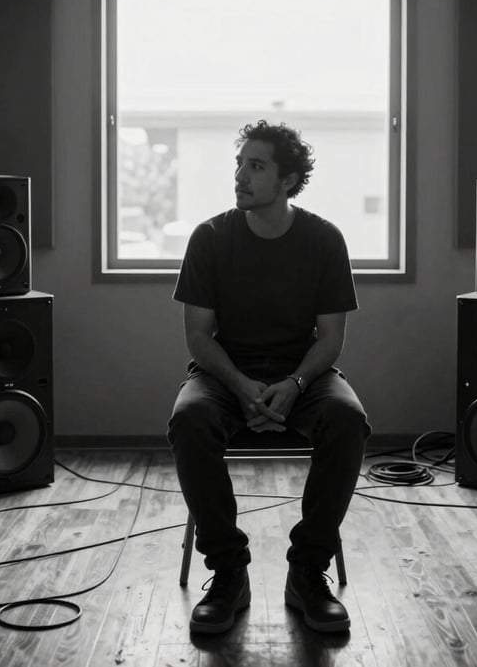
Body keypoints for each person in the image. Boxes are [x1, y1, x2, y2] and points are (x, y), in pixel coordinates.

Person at [167, 119, 371, 635]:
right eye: (239, 164)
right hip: (224, 371)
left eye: (255, 166)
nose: (240, 175)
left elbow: (330, 340)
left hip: (300, 373)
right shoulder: (209, 238)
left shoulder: (324, 239)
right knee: (189, 420)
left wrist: (294, 385)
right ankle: (229, 573)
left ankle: (307, 571)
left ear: (287, 180)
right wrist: (240, 386)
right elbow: (198, 337)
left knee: (348, 419)